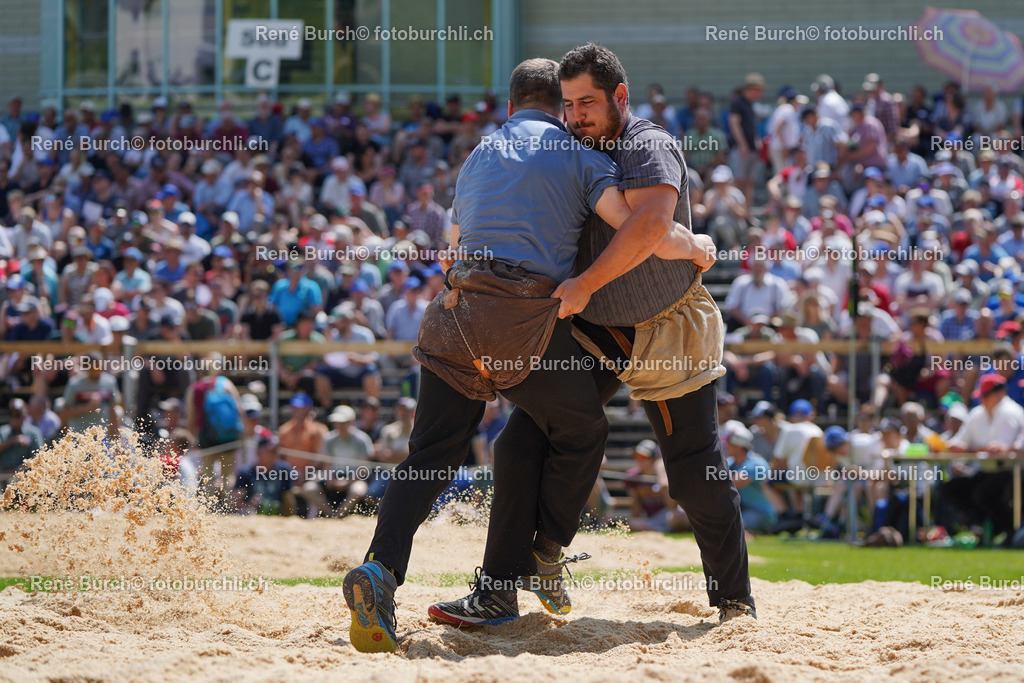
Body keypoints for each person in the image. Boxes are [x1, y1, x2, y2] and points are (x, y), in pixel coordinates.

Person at [342, 56, 713, 652]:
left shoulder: (477, 156)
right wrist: (697, 245)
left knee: (431, 454)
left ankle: (381, 570)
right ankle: (546, 551)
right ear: (557, 106)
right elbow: (643, 227)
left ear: (511, 107)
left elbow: (451, 249)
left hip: (454, 311)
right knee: (582, 429)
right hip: (522, 319)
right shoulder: (580, 154)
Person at [435, 43, 753, 627]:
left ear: (620, 97)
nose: (576, 114)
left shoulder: (647, 143)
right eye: (568, 103)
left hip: (666, 321)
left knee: (690, 470)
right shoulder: (567, 149)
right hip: (598, 327)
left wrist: (583, 282)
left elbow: (654, 223)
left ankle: (734, 600)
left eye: (587, 103)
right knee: (520, 441)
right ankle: (505, 585)